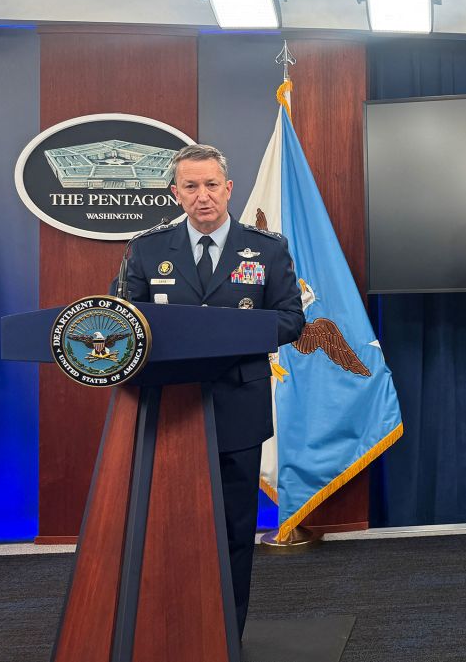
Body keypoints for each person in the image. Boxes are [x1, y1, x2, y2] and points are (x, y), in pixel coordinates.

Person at [113, 143, 305, 639]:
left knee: (234, 529)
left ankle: (225, 633)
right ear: (176, 193)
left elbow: (291, 320)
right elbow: (122, 319)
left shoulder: (267, 249)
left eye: (211, 185)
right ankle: (171, 630)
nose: (203, 196)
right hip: (168, 409)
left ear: (229, 189)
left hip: (236, 408)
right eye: (191, 187)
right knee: (170, 529)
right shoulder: (147, 249)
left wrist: (226, 332)